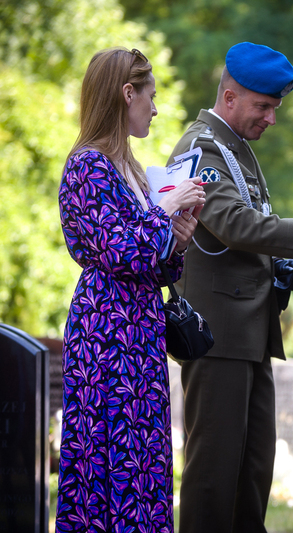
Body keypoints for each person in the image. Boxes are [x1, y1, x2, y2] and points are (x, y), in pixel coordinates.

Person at [168, 42, 293, 533]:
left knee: (253, 470)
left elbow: (252, 225)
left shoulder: (236, 148)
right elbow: (235, 225)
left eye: (275, 108)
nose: (272, 119)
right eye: (264, 106)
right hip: (218, 333)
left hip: (248, 331)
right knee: (214, 474)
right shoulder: (202, 146)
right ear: (230, 96)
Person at [56, 48, 206, 532]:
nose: (156, 109)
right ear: (127, 94)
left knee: (144, 460)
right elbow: (120, 251)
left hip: (139, 332)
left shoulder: (132, 169)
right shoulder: (87, 167)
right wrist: (166, 211)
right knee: (110, 460)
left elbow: (151, 263)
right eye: (151, 96)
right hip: (106, 335)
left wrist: (178, 241)